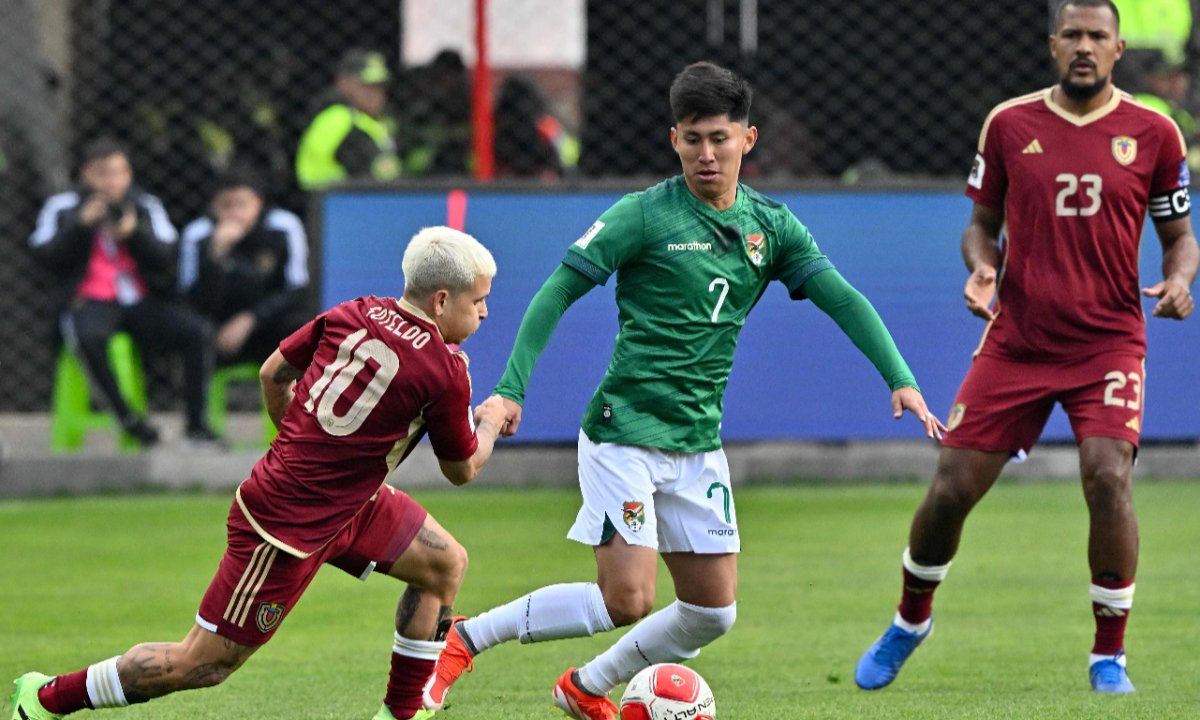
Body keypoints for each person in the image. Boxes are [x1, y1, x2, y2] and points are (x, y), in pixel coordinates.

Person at [423, 61, 945, 720]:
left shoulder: (771, 227)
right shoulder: (643, 215)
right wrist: (511, 388)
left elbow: (842, 298)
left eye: (720, 139)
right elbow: (557, 290)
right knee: (628, 599)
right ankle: (466, 639)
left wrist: (900, 378)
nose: (707, 154)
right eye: (693, 139)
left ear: (747, 139)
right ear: (674, 140)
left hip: (697, 443)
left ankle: (585, 686)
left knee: (711, 612)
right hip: (624, 432)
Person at [10, 226, 512, 720]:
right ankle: (45, 698)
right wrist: (489, 420)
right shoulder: (445, 370)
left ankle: (401, 713)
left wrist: (299, 441)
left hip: (350, 503)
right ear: (442, 301)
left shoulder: (354, 312)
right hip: (285, 527)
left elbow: (273, 373)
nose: (485, 312)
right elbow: (463, 468)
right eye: (478, 301)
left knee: (442, 566)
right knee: (203, 663)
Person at [854, 0, 1197, 695]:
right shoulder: (1011, 124)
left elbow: (1179, 237)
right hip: (1018, 340)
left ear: (1118, 48)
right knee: (951, 489)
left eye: (1097, 36)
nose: (1084, 46)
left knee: (1108, 477)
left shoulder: (1155, 133)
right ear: (1052, 45)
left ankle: (1109, 656)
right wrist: (981, 267)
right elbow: (980, 225)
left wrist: (1182, 280)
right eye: (1072, 34)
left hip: (1108, 341)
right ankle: (910, 620)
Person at [27, 137, 220, 447]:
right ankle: (129, 420)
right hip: (88, 301)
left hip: (141, 300)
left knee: (195, 332)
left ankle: (197, 427)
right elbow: (43, 257)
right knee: (88, 338)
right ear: (86, 175)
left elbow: (168, 257)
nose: (111, 182)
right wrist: (79, 225)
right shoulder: (63, 207)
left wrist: (133, 233)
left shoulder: (145, 205)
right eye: (102, 173)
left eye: (119, 173)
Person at [179, 165, 311, 365]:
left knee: (300, 325)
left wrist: (252, 319)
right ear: (214, 206)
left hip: (265, 321)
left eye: (241, 204)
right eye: (226, 205)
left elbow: (297, 288)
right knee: (193, 330)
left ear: (258, 203)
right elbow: (190, 298)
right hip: (219, 326)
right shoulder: (197, 235)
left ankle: (296, 385)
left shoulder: (283, 226)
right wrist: (215, 257)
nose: (235, 213)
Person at [295, 48, 403, 191]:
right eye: (367, 85)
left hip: (349, 199)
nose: (376, 94)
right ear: (343, 83)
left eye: (380, 86)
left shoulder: (372, 120)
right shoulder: (338, 119)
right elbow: (376, 174)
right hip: (332, 201)